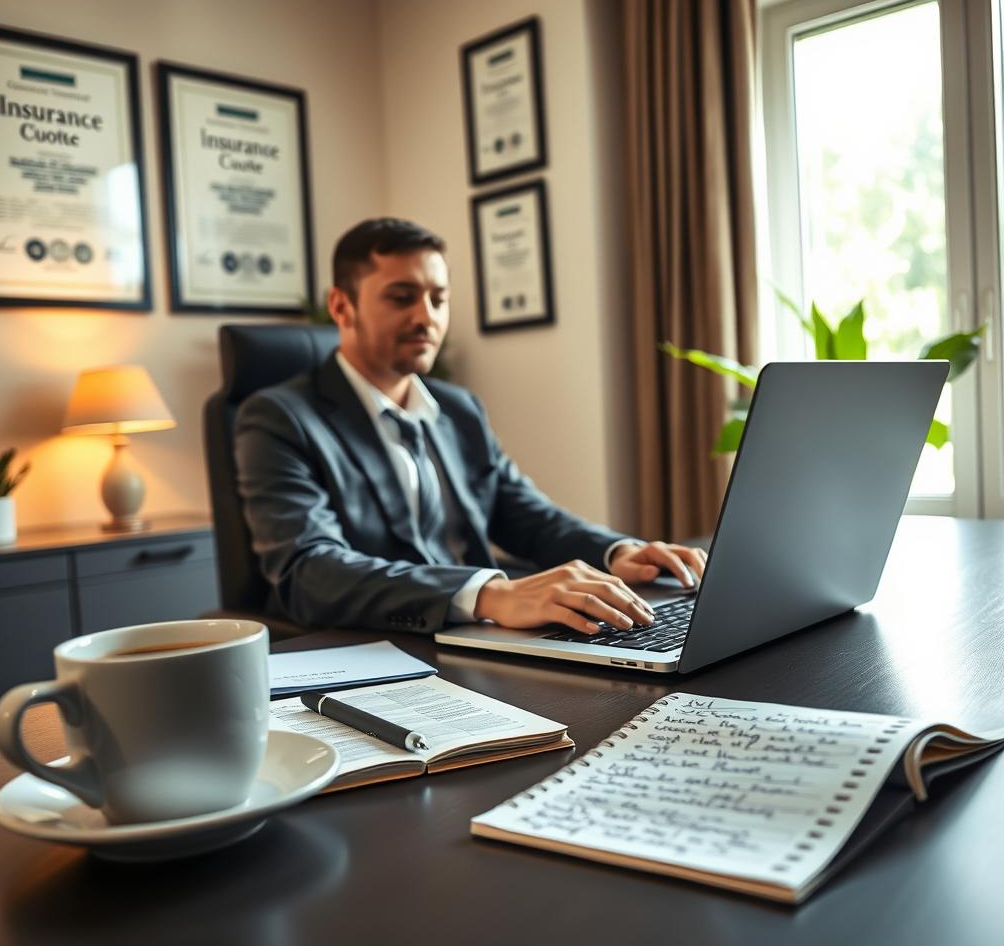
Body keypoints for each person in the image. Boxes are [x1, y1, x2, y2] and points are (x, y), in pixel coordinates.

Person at [233, 218, 706, 635]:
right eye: (402, 298)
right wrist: (490, 594)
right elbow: (311, 570)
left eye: (439, 299)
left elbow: (523, 513)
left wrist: (618, 552)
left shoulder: (458, 409)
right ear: (341, 307)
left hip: (481, 637)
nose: (427, 317)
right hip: (378, 645)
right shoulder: (280, 417)